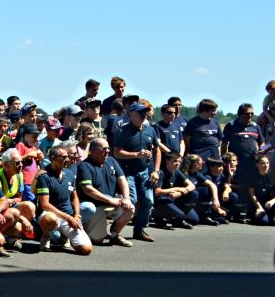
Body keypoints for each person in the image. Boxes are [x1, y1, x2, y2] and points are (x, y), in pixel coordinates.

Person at [35, 145, 94, 255]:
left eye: (67, 156)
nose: (67, 159)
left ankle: (65, 237)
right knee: (50, 218)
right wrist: (68, 217)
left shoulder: (70, 174)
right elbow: (45, 204)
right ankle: (46, 236)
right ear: (53, 158)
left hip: (69, 217)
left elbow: (74, 197)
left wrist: (76, 215)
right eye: (63, 157)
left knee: (86, 250)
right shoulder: (44, 176)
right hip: (53, 216)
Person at [114, 103, 161, 242]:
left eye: (144, 112)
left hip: (145, 171)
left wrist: (156, 171)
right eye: (139, 113)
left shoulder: (150, 130)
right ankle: (116, 229)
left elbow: (157, 150)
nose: (143, 115)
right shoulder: (122, 131)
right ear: (131, 115)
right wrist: (136, 154)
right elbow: (117, 153)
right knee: (131, 201)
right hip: (128, 172)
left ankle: (139, 230)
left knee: (148, 201)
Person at [76, 139, 135, 246]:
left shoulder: (111, 161)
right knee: (98, 240)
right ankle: (85, 230)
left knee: (129, 208)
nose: (108, 151)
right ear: (93, 151)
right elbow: (87, 189)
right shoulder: (84, 166)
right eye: (104, 149)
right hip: (95, 206)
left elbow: (122, 179)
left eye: (108, 148)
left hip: (111, 203)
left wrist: (126, 198)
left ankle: (115, 235)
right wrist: (110, 200)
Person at [222, 104, 264, 194]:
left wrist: (261, 150)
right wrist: (224, 159)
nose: (250, 116)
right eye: (247, 113)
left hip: (251, 163)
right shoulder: (231, 125)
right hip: (236, 164)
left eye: (252, 113)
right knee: (235, 185)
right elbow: (224, 143)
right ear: (240, 114)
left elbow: (262, 142)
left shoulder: (255, 126)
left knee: (250, 186)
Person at [153, 151, 201, 228]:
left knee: (194, 219)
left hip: (173, 199)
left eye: (179, 161)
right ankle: (158, 216)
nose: (177, 163)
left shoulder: (177, 171)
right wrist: (176, 189)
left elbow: (192, 186)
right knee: (180, 214)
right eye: (174, 161)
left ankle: (177, 219)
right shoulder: (161, 173)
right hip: (161, 201)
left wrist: (180, 193)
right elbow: (157, 192)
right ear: (167, 161)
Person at [180, 154, 229, 225]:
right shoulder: (184, 173)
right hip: (183, 201)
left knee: (195, 219)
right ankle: (180, 217)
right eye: (201, 162)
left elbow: (212, 185)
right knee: (194, 219)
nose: (203, 163)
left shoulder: (196, 174)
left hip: (192, 202)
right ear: (196, 165)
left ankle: (207, 216)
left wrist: (216, 200)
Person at [245, 156, 275, 225]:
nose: (266, 165)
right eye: (263, 163)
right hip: (256, 204)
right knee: (264, 221)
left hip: (268, 204)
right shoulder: (252, 176)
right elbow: (252, 194)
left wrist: (272, 201)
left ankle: (273, 216)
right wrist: (259, 207)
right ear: (257, 165)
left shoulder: (272, 177)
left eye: (267, 163)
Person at [184, 98, 223, 162]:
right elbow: (187, 140)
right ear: (205, 110)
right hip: (199, 155)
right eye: (213, 110)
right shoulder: (193, 122)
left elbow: (219, 138)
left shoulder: (215, 122)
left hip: (214, 154)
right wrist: (189, 153)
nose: (215, 112)